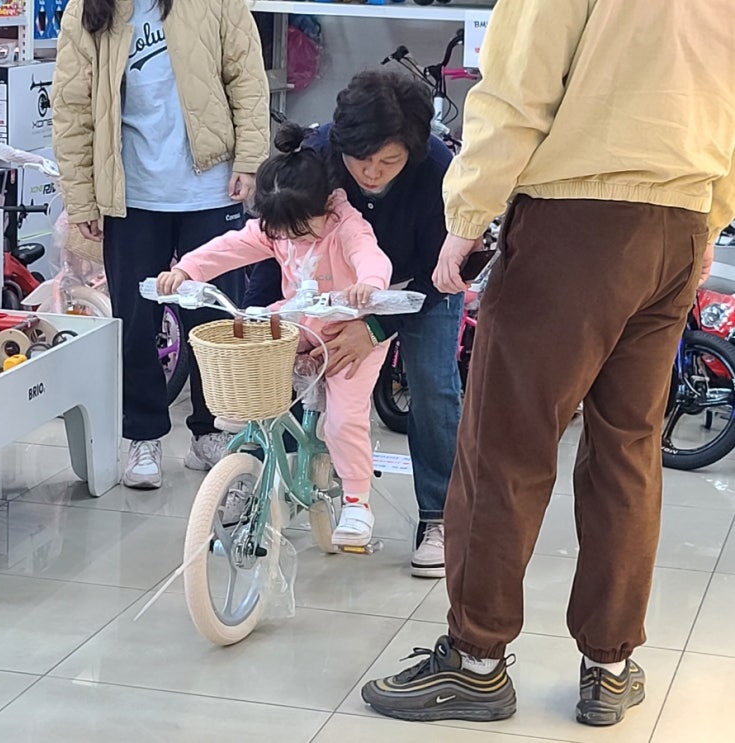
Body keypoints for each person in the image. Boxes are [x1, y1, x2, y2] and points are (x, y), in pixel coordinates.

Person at [361, 0, 734, 727]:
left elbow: (515, 90)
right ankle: (610, 666)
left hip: (578, 223)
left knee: (506, 444)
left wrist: (465, 216)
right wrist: (710, 216)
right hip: (682, 220)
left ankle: (475, 662)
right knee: (628, 450)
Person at [246, 70, 463, 577]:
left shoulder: (437, 169)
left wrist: (375, 329)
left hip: (420, 282)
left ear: (412, 150)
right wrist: (261, 316)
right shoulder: (316, 157)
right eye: (361, 159)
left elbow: (444, 272)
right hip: (332, 286)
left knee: (432, 386)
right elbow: (279, 241)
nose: (371, 172)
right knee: (277, 366)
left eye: (389, 161)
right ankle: (263, 483)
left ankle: (440, 517)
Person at [52, 0, 269, 489]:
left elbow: (247, 76)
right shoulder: (87, 10)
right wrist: (82, 198)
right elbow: (71, 108)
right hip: (131, 195)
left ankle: (212, 431)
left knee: (215, 320)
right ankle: (143, 434)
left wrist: (250, 160)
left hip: (212, 188)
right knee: (135, 321)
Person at [157, 122, 393, 547]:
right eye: (279, 231)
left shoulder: (345, 225)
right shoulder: (278, 227)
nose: (288, 240)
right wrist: (187, 270)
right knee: (251, 332)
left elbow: (369, 255)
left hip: (349, 331)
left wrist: (369, 285)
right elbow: (229, 247)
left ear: (327, 206)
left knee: (343, 419)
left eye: (299, 232)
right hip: (300, 320)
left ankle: (357, 501)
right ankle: (248, 424)